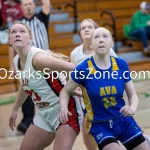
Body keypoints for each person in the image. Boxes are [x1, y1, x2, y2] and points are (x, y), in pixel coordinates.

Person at [59, 27, 150, 150]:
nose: (101, 40)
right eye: (96, 37)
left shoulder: (121, 64)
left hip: (123, 120)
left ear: (112, 43)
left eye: (105, 36)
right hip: (99, 125)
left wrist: (132, 108)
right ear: (91, 45)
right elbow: (65, 91)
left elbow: (132, 95)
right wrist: (63, 108)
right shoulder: (83, 69)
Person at [9, 22, 82, 150]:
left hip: (66, 110)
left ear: (30, 38)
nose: (17, 34)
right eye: (13, 32)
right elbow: (25, 85)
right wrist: (15, 109)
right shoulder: (17, 61)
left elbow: (74, 68)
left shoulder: (38, 59)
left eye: (22, 31)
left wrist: (71, 87)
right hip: (44, 114)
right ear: (10, 40)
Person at [70, 19, 117, 150]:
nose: (86, 29)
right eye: (83, 27)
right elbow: (75, 77)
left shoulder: (108, 50)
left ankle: (140, 140)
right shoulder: (75, 54)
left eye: (90, 27)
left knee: (118, 127)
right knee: (87, 131)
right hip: (88, 101)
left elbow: (118, 71)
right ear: (79, 34)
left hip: (108, 97)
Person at [9, 0, 51, 134]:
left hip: (44, 61)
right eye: (25, 4)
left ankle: (51, 117)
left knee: (49, 90)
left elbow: (46, 4)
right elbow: (11, 47)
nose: (28, 6)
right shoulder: (18, 24)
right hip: (25, 62)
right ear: (21, 7)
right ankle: (27, 120)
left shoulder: (42, 18)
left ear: (34, 5)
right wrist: (11, 66)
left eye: (30, 4)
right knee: (27, 90)